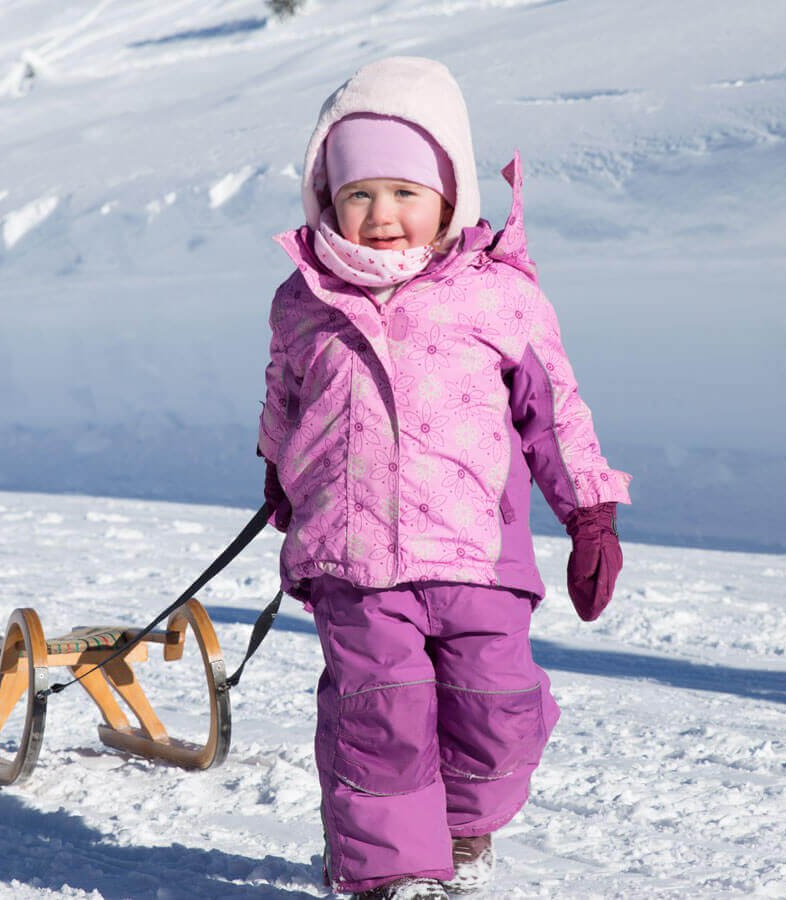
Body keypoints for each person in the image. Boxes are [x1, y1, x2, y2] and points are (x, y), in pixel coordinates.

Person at [256, 57, 632, 900]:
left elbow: (557, 413)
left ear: (450, 195)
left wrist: (590, 512)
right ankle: (394, 871)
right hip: (353, 559)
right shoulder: (303, 297)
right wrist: (280, 470)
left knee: (498, 714)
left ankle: (459, 830)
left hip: (476, 554)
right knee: (381, 715)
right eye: (358, 195)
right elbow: (284, 396)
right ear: (326, 201)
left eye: (403, 192)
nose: (381, 215)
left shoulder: (499, 297)